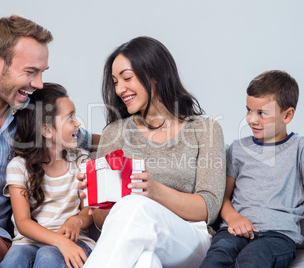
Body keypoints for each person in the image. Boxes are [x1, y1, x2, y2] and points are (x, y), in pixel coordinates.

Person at [0, 15, 96, 267]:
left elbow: (80, 137)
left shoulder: (31, 114)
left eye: (42, 73)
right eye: (30, 72)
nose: (38, 84)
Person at [79, 36, 226, 268]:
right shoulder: (114, 133)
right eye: (115, 82)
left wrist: (154, 191)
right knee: (146, 261)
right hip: (139, 236)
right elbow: (102, 222)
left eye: (127, 78)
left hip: (191, 239)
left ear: (154, 76)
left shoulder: (205, 129)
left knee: (135, 204)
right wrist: (97, 197)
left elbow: (208, 209)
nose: (119, 89)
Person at [200, 70, 304, 267]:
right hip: (234, 231)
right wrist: (233, 218)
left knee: (252, 260)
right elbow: (221, 196)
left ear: (287, 115)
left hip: (278, 236)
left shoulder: (301, 147)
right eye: (249, 110)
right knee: (216, 257)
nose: (252, 119)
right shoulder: (238, 148)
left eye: (262, 113)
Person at [0, 83, 95, 268]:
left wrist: (77, 221)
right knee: (14, 259)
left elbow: (88, 210)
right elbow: (23, 222)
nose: (78, 123)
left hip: (74, 242)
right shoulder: (19, 167)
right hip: (30, 242)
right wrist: (59, 241)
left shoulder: (81, 161)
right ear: (47, 130)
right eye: (70, 118)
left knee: (48, 257)